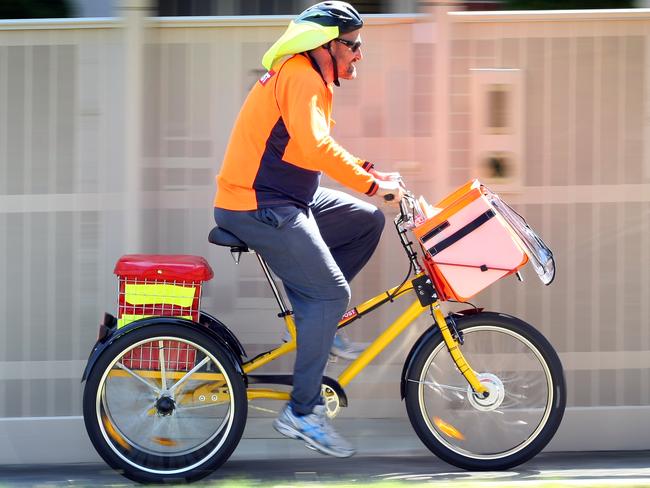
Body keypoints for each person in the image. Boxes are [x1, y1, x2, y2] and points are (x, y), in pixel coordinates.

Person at [213, 1, 404, 458]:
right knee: (331, 294)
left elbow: (315, 147)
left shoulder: (306, 76)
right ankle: (302, 412)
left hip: (286, 196)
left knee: (365, 220)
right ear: (326, 45)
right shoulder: (301, 77)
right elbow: (317, 147)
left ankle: (312, 319)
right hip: (256, 203)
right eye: (353, 45)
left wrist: (370, 174)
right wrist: (372, 183)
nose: (359, 54)